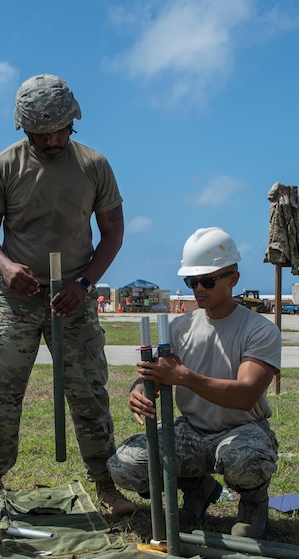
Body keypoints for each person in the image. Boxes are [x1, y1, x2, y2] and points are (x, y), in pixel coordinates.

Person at [0, 73, 131, 526]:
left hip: (73, 299)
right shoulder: (3, 166)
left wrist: (86, 284)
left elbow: (112, 233)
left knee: (89, 394)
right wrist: (5, 267)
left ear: (73, 121)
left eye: (61, 129)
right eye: (42, 132)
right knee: (0, 395)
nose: (53, 139)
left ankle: (105, 484)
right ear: (24, 128)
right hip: (16, 300)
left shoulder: (94, 165)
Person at [107, 228, 284, 539]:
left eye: (208, 281)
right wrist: (138, 390)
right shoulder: (180, 327)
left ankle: (254, 503)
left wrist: (185, 378)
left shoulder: (259, 330)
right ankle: (198, 488)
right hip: (192, 429)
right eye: (192, 282)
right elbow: (156, 375)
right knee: (125, 464)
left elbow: (246, 395)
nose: (198, 289)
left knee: (245, 459)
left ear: (233, 279)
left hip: (241, 429)